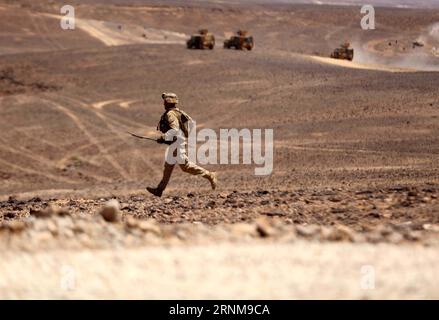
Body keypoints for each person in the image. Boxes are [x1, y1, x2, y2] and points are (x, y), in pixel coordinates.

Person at [146, 93, 217, 197]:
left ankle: (210, 175)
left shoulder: (170, 114)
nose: (163, 103)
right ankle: (159, 190)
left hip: (177, 143)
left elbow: (174, 129)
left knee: (185, 166)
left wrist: (163, 138)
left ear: (168, 102)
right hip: (175, 143)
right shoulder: (176, 112)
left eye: (165, 101)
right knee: (168, 166)